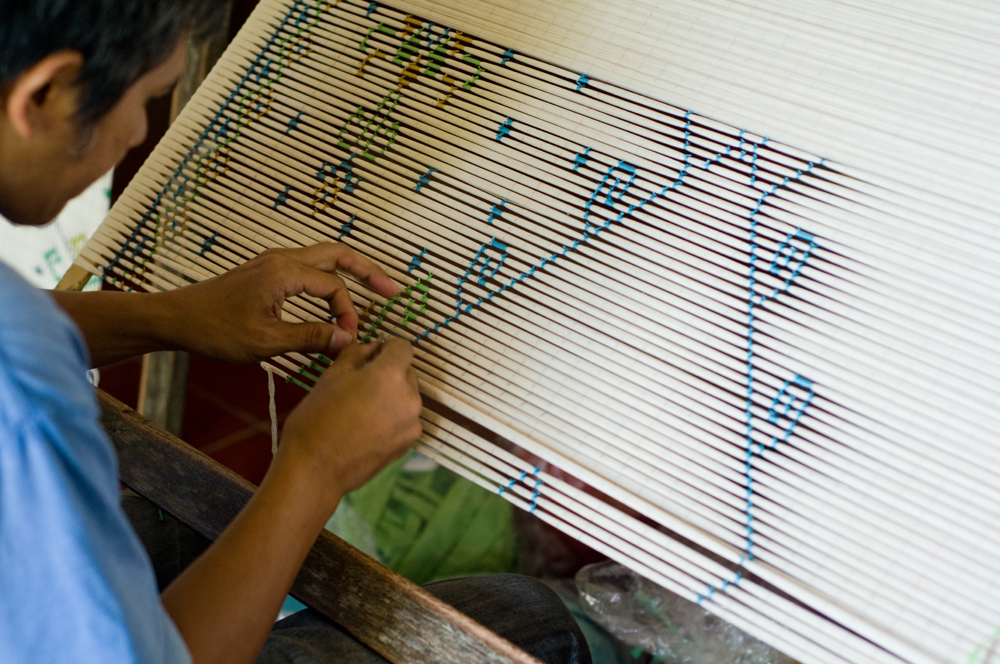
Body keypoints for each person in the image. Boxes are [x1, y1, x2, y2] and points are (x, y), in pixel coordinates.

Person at [0, 2, 591, 663]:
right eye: (148, 98)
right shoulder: (24, 394)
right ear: (44, 95)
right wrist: (314, 469)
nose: (142, 131)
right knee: (529, 622)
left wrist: (174, 315)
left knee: (208, 526)